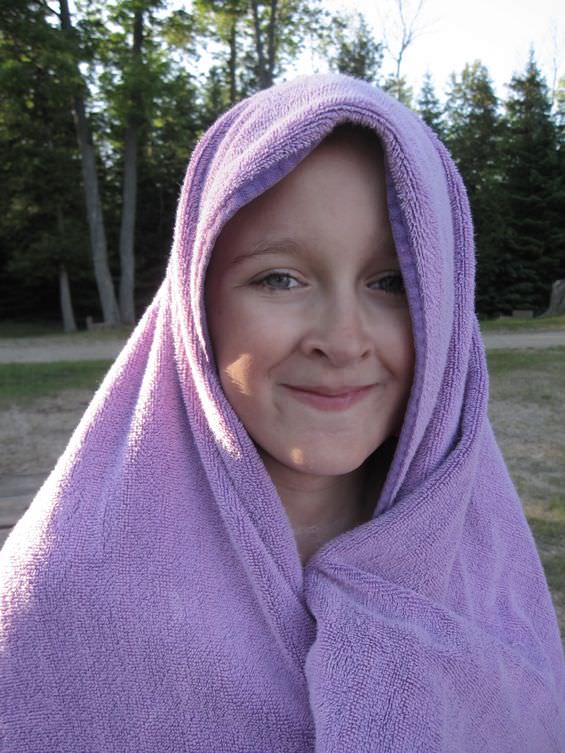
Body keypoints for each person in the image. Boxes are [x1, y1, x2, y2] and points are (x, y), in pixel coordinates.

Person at [0, 74, 564, 752]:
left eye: (391, 282)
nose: (343, 340)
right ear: (197, 302)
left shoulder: (491, 575)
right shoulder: (64, 599)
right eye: (280, 278)